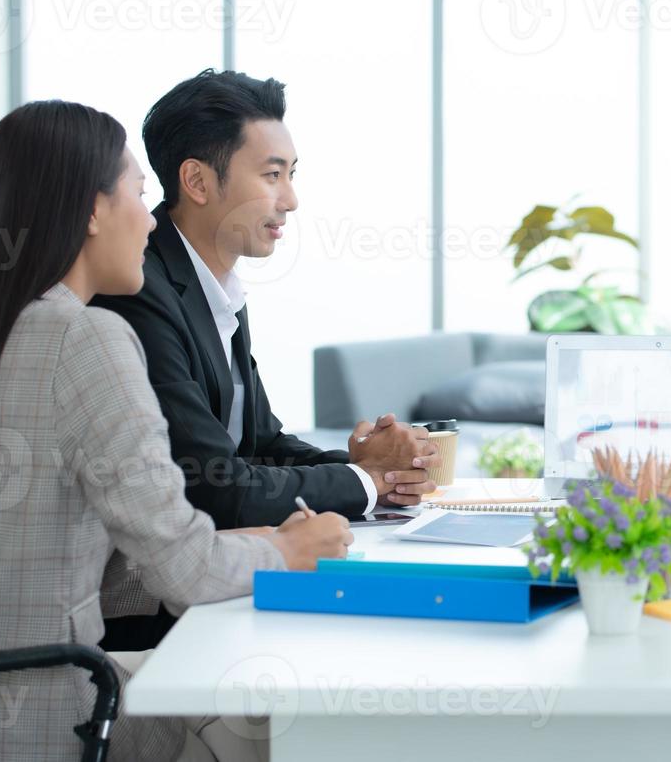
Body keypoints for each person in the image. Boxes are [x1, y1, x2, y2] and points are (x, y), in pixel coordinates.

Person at [0, 101, 353, 762]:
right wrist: (288, 554)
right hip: (35, 716)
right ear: (92, 210)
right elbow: (184, 573)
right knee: (281, 717)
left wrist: (247, 538)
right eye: (139, 195)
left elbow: (37, 560)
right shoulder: (84, 337)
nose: (150, 221)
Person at [93, 70, 434, 649]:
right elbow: (216, 486)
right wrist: (365, 483)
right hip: (148, 613)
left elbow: (259, 443)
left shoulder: (214, 284)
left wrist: (371, 468)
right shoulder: (141, 292)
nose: (291, 200)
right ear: (198, 181)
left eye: (291, 176)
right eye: (272, 175)